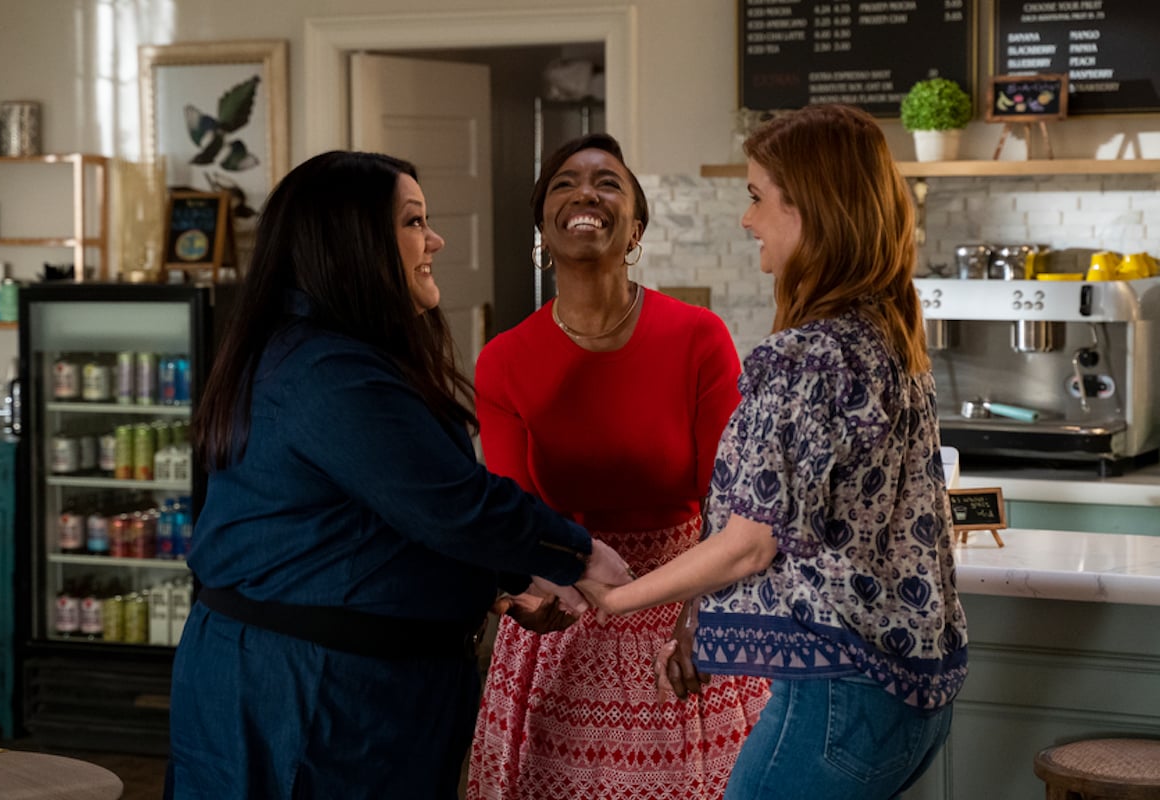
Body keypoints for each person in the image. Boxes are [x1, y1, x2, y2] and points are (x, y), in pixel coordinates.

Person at [164, 150, 632, 800]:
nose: (434, 239)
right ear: (351, 244)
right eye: (414, 222)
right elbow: (452, 504)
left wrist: (506, 578)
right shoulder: (324, 371)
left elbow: (376, 518)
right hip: (307, 696)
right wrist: (579, 554)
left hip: (355, 690)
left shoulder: (339, 355)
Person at [577, 104, 969, 800]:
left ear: (810, 210)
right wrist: (699, 616)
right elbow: (802, 533)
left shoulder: (806, 356)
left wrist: (616, 598)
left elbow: (750, 543)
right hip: (909, 698)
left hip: (836, 699)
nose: (747, 219)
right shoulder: (887, 338)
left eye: (758, 197)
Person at [466, 133, 770, 800]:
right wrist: (523, 590)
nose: (585, 193)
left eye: (608, 183)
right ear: (544, 226)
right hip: (564, 628)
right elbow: (516, 513)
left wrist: (702, 615)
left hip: (686, 614)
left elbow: (730, 502)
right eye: (564, 183)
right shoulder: (504, 360)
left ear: (634, 229)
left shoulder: (698, 337)